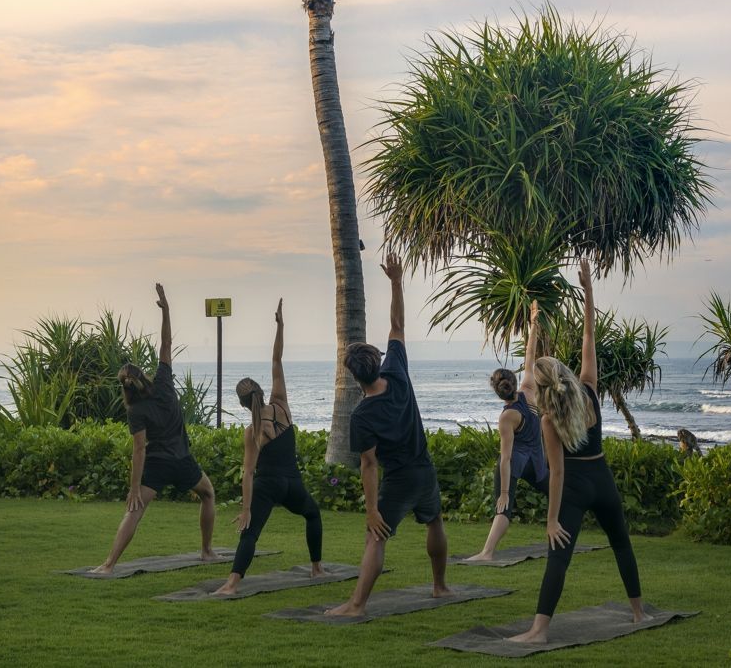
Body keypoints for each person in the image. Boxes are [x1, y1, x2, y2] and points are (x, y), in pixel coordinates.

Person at [510, 260, 650, 643]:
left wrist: (551, 519)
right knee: (621, 543)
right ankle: (638, 612)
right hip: (602, 478)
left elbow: (556, 473)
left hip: (574, 487)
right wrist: (588, 291)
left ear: (541, 388)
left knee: (559, 557)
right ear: (565, 374)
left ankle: (539, 630)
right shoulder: (589, 389)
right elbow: (589, 335)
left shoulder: (548, 420)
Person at [326, 253, 451, 617]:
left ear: (355, 377)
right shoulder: (396, 373)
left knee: (375, 536)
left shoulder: (362, 415)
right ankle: (440, 586)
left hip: (399, 478)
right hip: (424, 469)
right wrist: (396, 281)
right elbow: (397, 324)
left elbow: (369, 465)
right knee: (434, 520)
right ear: (378, 363)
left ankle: (356, 605)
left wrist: (371, 510)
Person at [90, 283, 217, 574]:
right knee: (208, 494)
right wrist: (166, 309)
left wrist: (134, 488)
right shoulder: (163, 383)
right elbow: (166, 344)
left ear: (124, 388)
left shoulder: (135, 411)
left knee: (134, 510)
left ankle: (108, 565)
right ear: (143, 376)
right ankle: (207, 551)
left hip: (157, 465)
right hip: (182, 460)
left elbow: (139, 450)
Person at [214, 299, 324, 595]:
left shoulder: (252, 431)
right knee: (312, 514)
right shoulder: (281, 406)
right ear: (262, 391)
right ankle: (317, 568)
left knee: (250, 533)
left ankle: (232, 584)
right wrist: (280, 326)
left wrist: (246, 509)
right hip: (292, 484)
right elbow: (277, 361)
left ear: (241, 404)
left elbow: (248, 473)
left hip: (268, 486)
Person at [464, 301, 549, 561]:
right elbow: (530, 355)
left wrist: (503, 493)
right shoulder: (529, 390)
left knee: (503, 510)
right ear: (514, 381)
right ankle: (563, 532)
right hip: (537, 462)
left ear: (497, 391)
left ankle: (487, 552)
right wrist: (533, 324)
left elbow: (506, 458)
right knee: (559, 492)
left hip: (517, 463)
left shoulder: (507, 417)